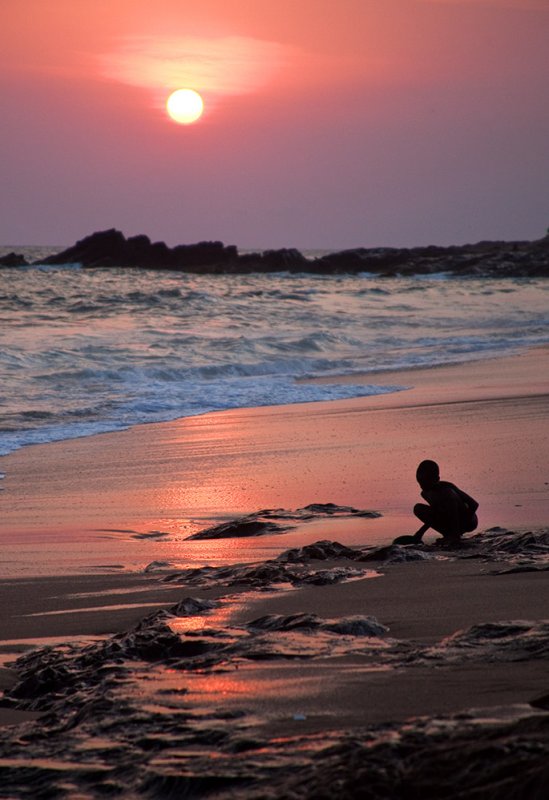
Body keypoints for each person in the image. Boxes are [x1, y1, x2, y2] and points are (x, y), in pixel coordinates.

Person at [412, 460, 478, 545]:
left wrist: (459, 530)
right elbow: (435, 514)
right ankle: (449, 534)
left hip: (468, 520)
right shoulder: (425, 493)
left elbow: (474, 504)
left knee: (448, 497)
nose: (423, 487)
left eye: (426, 482)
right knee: (418, 509)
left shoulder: (446, 489)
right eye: (421, 483)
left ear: (437, 479)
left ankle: (454, 535)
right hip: (449, 518)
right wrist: (420, 532)